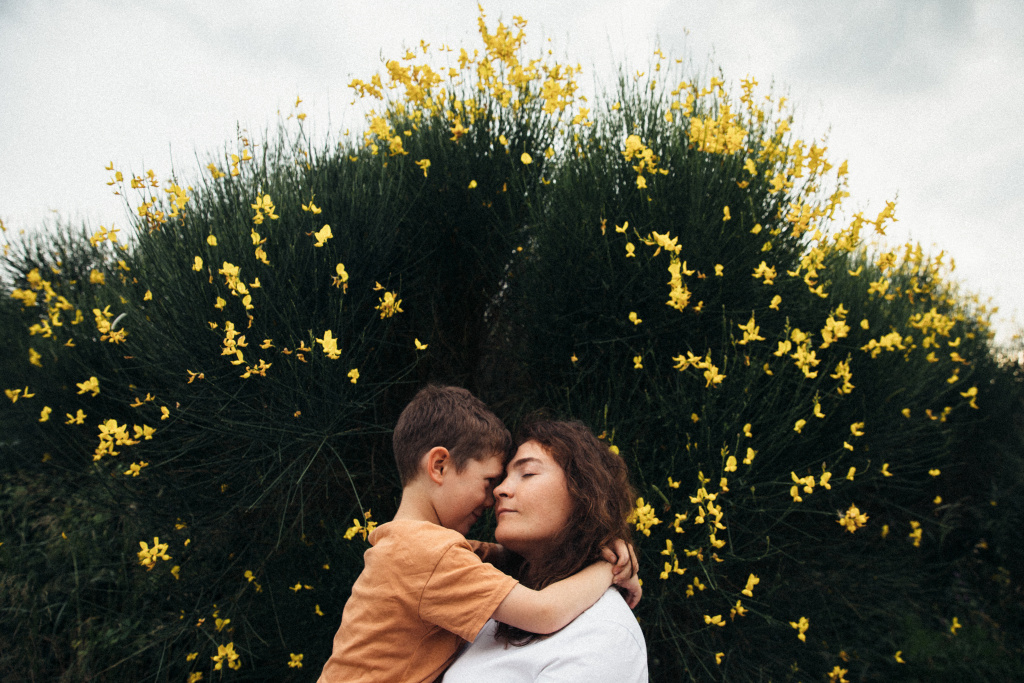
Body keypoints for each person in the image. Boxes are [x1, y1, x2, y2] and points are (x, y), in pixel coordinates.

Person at [318, 386, 639, 683]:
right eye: (488, 482)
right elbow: (544, 612)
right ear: (439, 466)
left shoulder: (408, 546)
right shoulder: (431, 555)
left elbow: (493, 556)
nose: (494, 495)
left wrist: (594, 543)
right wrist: (608, 569)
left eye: (527, 473)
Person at [442, 419, 649, 682]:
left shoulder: (603, 633)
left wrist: (610, 566)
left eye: (528, 473)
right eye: (504, 478)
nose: (500, 489)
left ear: (583, 493)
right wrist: (607, 567)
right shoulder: (502, 604)